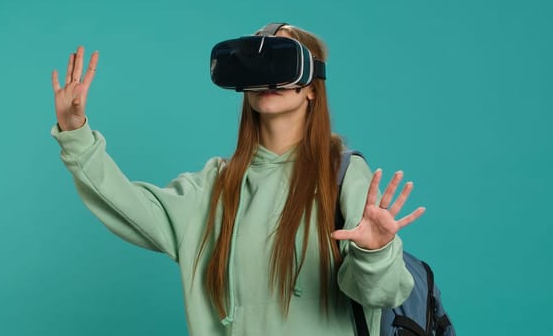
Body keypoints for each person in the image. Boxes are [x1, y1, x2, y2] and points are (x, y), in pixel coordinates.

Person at [50, 23, 425, 336]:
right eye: (259, 64)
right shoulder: (216, 184)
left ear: (312, 87)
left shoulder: (342, 176)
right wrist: (76, 135)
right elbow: (128, 206)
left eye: (283, 60)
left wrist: (374, 253)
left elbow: (383, 294)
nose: (269, 78)